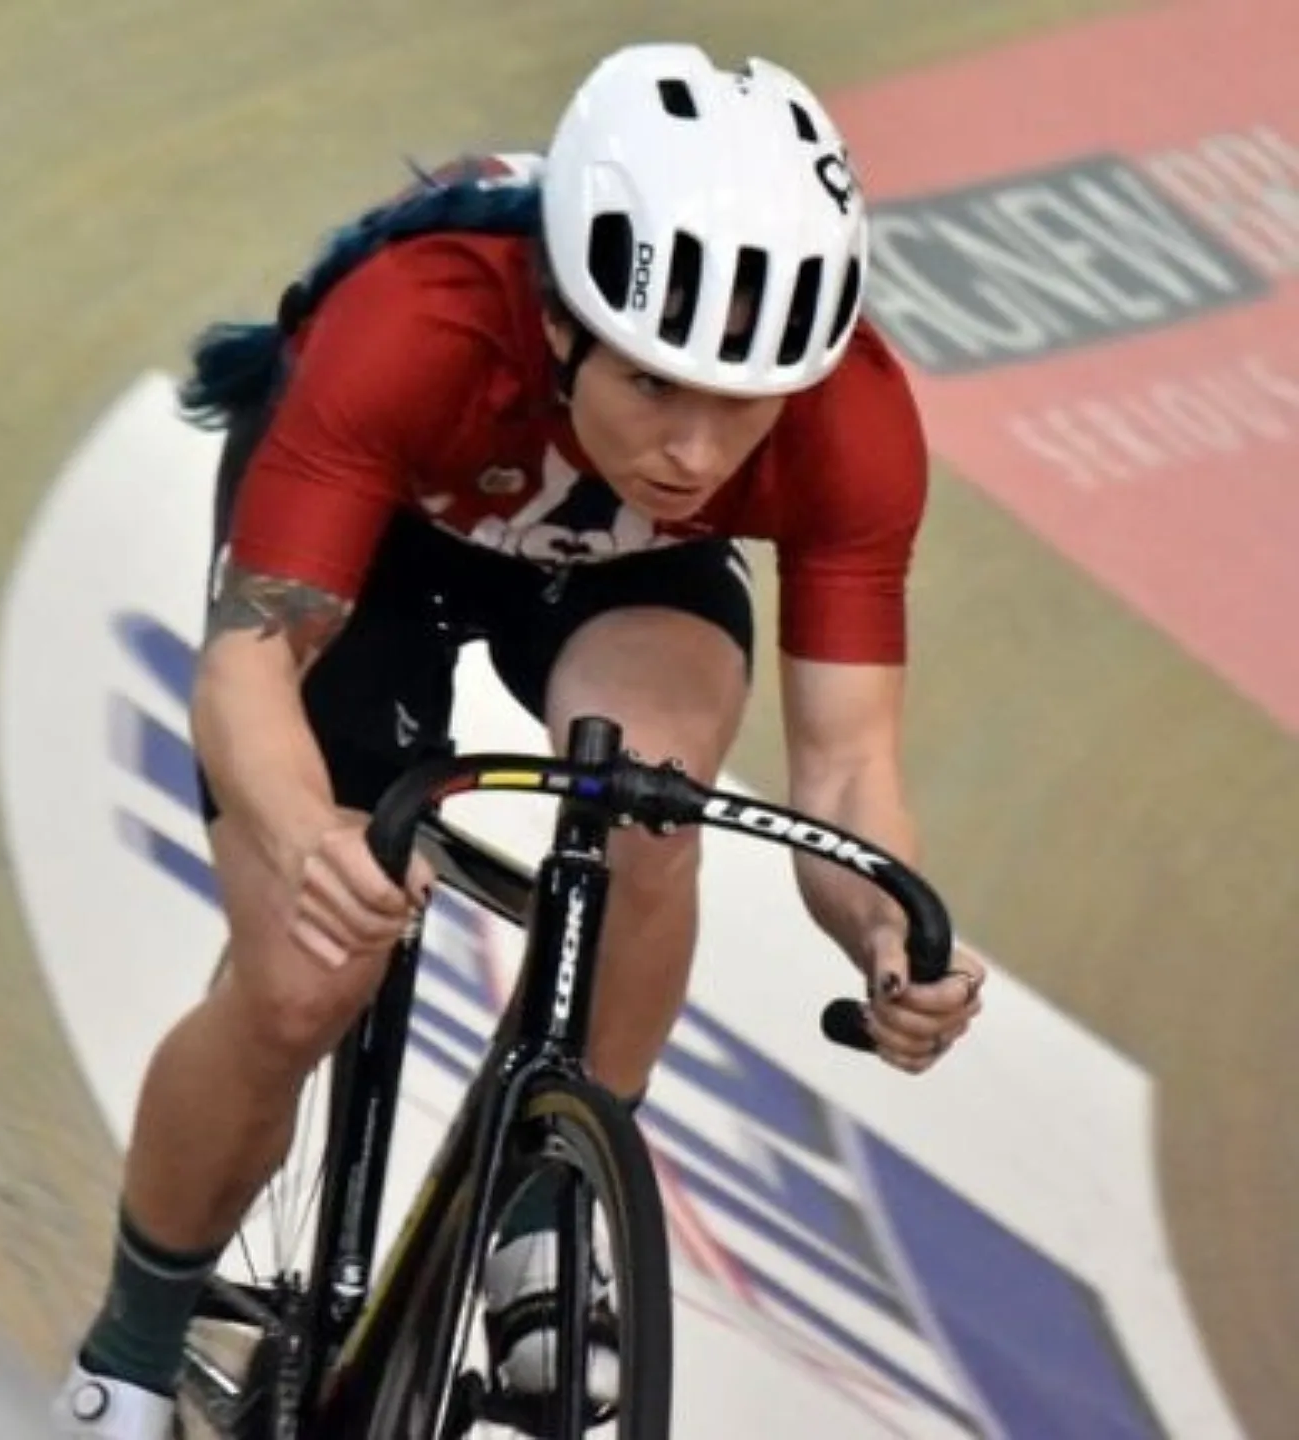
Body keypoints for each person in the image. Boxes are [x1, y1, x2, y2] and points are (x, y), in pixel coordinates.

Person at [51, 41, 986, 1439]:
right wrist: (307, 837)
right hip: (377, 548)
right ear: (558, 320)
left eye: (747, 400)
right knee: (303, 981)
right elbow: (254, 663)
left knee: (653, 803)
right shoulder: (415, 324)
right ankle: (125, 1358)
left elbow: (849, 774)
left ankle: (545, 1204)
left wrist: (887, 937)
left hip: (620, 580)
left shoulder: (850, 420)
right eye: (659, 383)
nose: (695, 446)